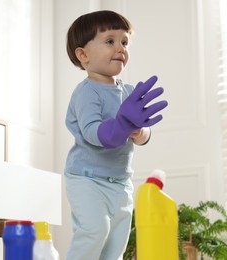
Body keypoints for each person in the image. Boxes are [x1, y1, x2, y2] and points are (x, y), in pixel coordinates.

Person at [64, 10, 168, 260]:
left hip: (120, 183)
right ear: (83, 54)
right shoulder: (86, 93)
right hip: (86, 180)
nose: (120, 47)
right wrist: (122, 123)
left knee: (116, 245)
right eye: (110, 41)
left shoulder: (129, 92)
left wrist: (139, 130)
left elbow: (142, 136)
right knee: (94, 231)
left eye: (124, 41)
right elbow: (93, 133)